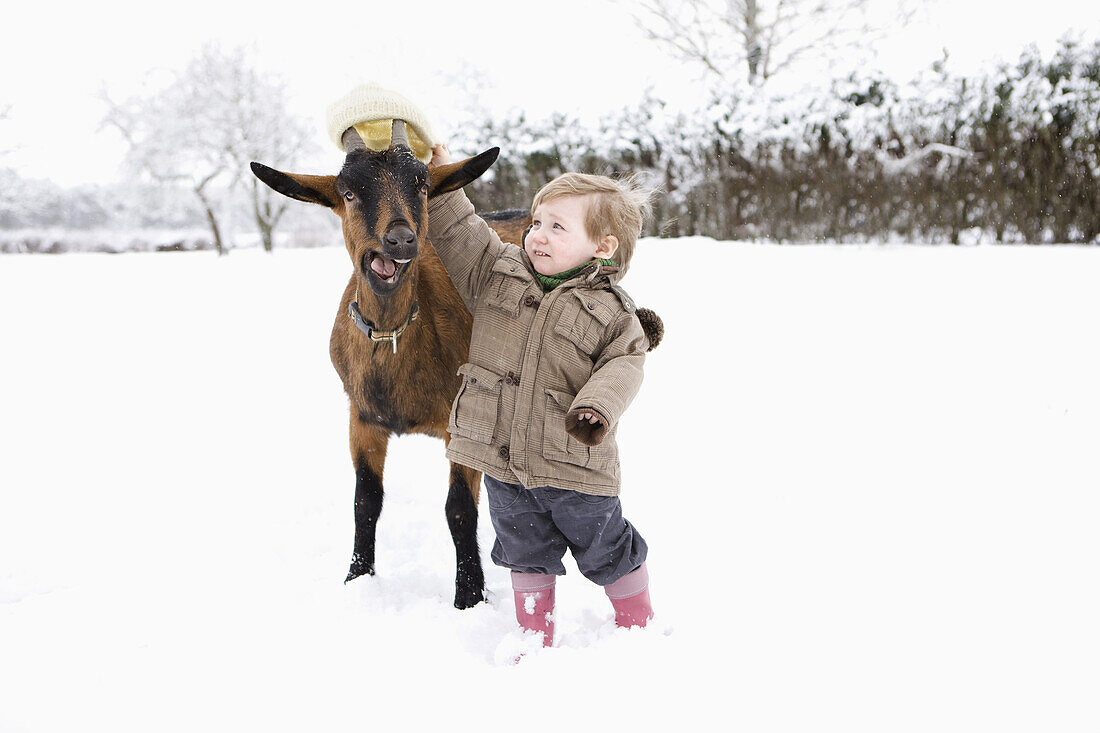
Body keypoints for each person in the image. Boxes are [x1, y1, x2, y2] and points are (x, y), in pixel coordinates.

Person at [428, 143, 658, 648]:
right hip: (502, 457)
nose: (537, 235)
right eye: (536, 222)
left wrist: (597, 407)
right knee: (522, 549)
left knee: (605, 549)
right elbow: (458, 232)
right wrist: (443, 180)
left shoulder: (612, 313)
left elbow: (625, 365)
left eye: (558, 227)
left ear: (603, 247)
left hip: (575, 465)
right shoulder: (495, 273)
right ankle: (534, 636)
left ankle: (639, 627)